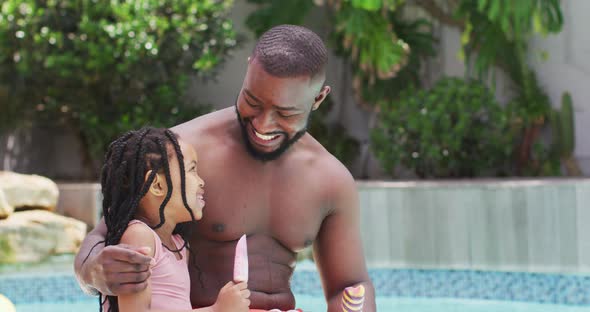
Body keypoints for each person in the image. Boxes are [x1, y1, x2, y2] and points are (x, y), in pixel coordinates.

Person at [75, 25, 375, 311]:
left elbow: (348, 285)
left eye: (285, 113)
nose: (262, 124)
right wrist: (94, 273)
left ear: (318, 98)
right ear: (248, 70)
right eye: (252, 101)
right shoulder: (182, 153)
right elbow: (105, 235)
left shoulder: (331, 181)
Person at [87, 127, 250, 312]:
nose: (201, 181)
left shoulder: (178, 245)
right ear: (157, 185)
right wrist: (216, 310)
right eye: (192, 170)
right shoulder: (139, 237)